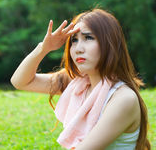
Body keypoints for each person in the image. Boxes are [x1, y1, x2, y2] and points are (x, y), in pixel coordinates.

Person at [11, 8, 151, 150]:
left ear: (109, 43)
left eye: (88, 38)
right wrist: (43, 48)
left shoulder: (123, 98)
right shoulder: (78, 83)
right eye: (74, 40)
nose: (78, 48)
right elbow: (20, 81)